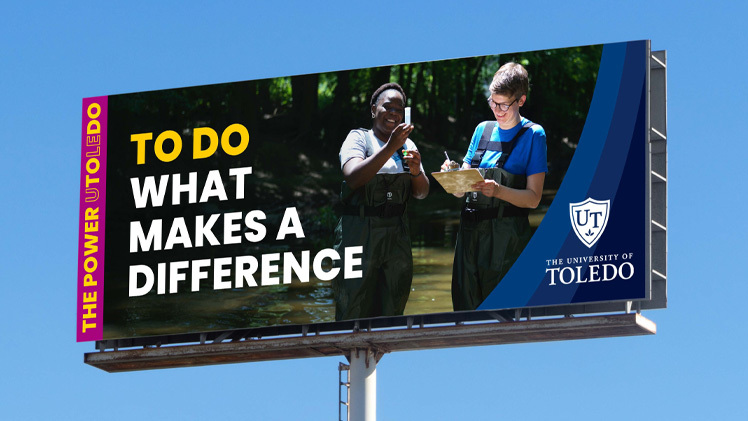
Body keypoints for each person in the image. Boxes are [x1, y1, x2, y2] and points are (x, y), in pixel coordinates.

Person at [442, 62, 547, 311]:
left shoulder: (534, 135)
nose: (496, 110)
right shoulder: (482, 130)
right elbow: (460, 191)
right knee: (464, 310)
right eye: (492, 102)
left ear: (521, 100)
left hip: (507, 239)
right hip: (469, 236)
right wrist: (452, 175)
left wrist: (498, 191)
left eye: (503, 105)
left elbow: (533, 199)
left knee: (502, 311)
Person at [332, 82, 429, 321]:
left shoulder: (408, 145)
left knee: (392, 308)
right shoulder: (358, 138)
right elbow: (353, 178)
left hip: (397, 236)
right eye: (388, 107)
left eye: (399, 109)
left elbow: (422, 193)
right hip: (359, 233)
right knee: (352, 306)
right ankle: (352, 357)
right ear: (374, 109)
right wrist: (390, 147)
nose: (394, 113)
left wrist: (416, 172)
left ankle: (381, 356)